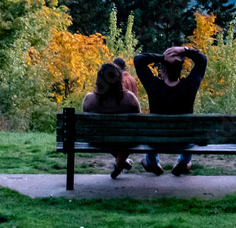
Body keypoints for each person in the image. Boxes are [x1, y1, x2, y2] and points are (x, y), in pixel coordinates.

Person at [133, 45, 207, 177]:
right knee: (190, 133)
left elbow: (138, 60)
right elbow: (202, 60)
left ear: (162, 69)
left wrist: (162, 57)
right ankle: (184, 163)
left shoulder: (153, 86)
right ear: (181, 70)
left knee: (151, 133)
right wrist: (184, 50)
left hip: (157, 140)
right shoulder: (190, 87)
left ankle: (152, 162)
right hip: (183, 141)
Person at [82, 62, 141, 179]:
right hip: (125, 140)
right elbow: (139, 120)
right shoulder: (130, 99)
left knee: (104, 136)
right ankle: (120, 164)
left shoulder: (89, 100)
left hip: (98, 139)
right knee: (128, 138)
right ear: (119, 80)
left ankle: (120, 164)